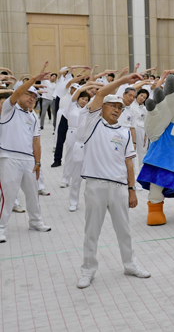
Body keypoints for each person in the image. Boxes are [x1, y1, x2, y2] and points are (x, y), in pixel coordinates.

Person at [76, 72, 150, 289]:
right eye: (113, 106)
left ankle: (130, 264)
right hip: (95, 185)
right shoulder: (91, 124)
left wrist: (132, 189)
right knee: (92, 231)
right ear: (103, 108)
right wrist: (123, 81)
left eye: (120, 107)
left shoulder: (125, 133)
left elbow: (129, 163)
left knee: (124, 230)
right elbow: (99, 95)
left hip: (118, 187)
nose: (117, 109)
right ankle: (87, 270)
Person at [0, 71, 52, 243]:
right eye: (28, 94)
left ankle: (36, 222)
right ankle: (1, 228)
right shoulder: (9, 109)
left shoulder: (33, 116)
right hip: (9, 157)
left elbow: (36, 141)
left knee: (32, 194)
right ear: (20, 93)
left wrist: (38, 162)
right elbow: (15, 94)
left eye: (34, 97)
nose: (31, 99)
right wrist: (34, 79)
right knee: (7, 196)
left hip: (29, 160)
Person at [64, 84, 97, 212]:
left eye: (86, 99)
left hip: (90, 144)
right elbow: (77, 92)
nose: (84, 101)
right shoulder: (72, 105)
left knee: (92, 176)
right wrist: (88, 85)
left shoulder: (91, 111)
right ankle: (73, 201)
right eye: (82, 98)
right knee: (76, 175)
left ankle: (93, 201)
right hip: (78, 142)